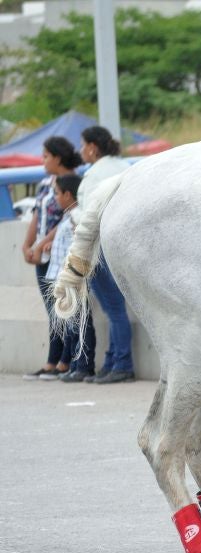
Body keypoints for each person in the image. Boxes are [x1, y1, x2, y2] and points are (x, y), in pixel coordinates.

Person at [20, 136, 83, 380]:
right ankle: (52, 360)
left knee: (65, 309)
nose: (42, 160)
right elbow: (37, 214)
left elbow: (71, 216)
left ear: (57, 157)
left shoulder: (74, 181)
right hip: (42, 255)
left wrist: (45, 241)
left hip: (59, 252)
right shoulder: (46, 183)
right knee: (51, 310)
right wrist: (28, 244)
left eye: (45, 156)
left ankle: (65, 360)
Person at [78, 125, 135, 384]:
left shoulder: (93, 176)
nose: (81, 151)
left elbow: (87, 215)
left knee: (114, 309)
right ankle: (112, 362)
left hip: (99, 246)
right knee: (116, 308)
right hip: (125, 243)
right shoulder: (126, 166)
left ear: (92, 147)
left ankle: (121, 364)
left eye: (83, 145)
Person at [45, 174, 97, 382]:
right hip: (64, 278)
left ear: (68, 194)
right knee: (71, 325)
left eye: (57, 193)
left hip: (74, 279)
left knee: (80, 323)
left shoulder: (77, 216)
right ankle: (75, 365)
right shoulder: (69, 216)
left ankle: (84, 365)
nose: (56, 197)